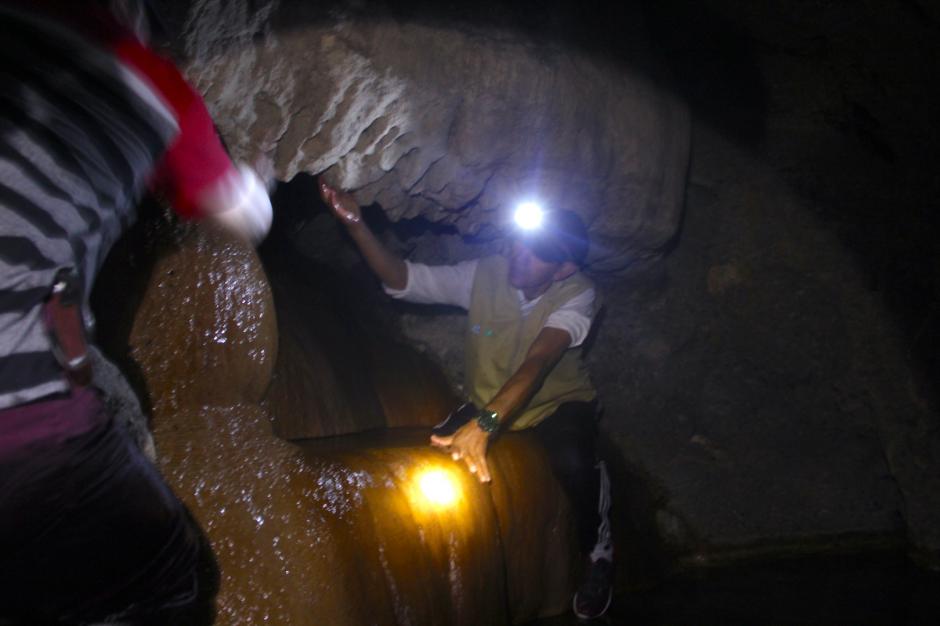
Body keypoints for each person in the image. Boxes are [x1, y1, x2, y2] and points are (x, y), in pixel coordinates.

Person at [0, 0, 272, 623]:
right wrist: (260, 178)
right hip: (21, 414)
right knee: (169, 578)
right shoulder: (152, 82)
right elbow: (243, 218)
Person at [320, 182, 614, 619]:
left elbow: (539, 359)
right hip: (488, 400)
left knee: (572, 461)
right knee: (429, 458)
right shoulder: (486, 274)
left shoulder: (578, 293)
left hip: (555, 403)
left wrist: (486, 425)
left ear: (563, 269)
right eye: (517, 242)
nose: (517, 254)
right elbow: (403, 278)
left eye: (534, 253)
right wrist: (357, 225)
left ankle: (599, 550)